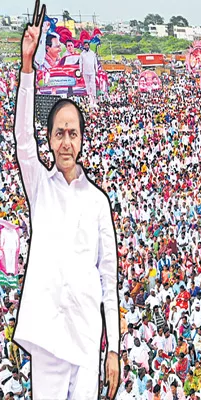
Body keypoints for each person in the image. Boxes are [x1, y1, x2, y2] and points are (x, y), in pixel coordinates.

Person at [11, 2, 120, 399]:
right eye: (59, 133)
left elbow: (108, 279)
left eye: (72, 133)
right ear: (51, 139)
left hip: (88, 336)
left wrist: (114, 350)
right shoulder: (41, 187)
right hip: (51, 336)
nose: (66, 142)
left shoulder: (97, 202)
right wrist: (27, 67)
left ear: (81, 139)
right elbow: (23, 139)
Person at [79, 40, 99, 105]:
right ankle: (89, 96)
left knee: (93, 84)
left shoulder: (92, 53)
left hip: (92, 71)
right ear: (83, 46)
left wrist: (96, 70)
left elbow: (95, 62)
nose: (86, 46)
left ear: (89, 46)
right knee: (87, 84)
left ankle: (94, 97)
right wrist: (80, 71)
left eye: (87, 45)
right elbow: (80, 63)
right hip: (85, 71)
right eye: (85, 45)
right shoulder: (82, 54)